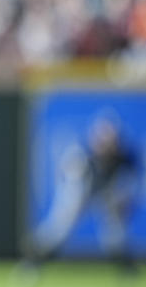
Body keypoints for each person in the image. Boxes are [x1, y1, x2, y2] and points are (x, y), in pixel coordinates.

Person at [24, 113, 138, 276]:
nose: (106, 145)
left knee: (115, 234)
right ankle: (32, 263)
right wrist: (72, 199)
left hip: (107, 194)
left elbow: (129, 186)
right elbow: (67, 178)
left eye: (110, 141)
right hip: (81, 191)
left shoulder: (125, 158)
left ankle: (127, 272)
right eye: (103, 140)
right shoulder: (82, 154)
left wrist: (122, 201)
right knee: (59, 230)